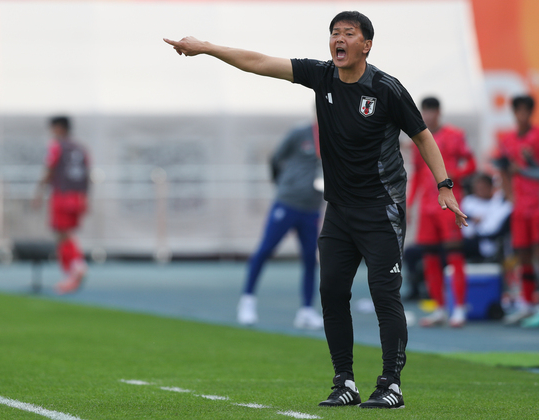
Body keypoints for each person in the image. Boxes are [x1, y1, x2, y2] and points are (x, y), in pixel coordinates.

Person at [165, 10, 467, 409]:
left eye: (348, 33)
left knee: (384, 296)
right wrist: (207, 48)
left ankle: (390, 384)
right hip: (339, 211)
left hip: (381, 209)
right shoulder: (321, 75)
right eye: (334, 33)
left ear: (366, 44)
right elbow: (259, 63)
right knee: (331, 292)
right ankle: (345, 381)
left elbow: (423, 137)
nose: (338, 39)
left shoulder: (386, 88)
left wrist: (444, 185)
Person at [237, 122, 324, 330]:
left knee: (310, 258)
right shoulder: (300, 134)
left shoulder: (337, 134)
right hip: (287, 202)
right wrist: (282, 183)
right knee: (265, 249)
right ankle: (247, 301)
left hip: (312, 207)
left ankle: (306, 310)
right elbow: (276, 158)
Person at [407, 97, 476, 328]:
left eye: (431, 111)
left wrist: (454, 174)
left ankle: (459, 308)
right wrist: (409, 204)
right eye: (424, 111)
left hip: (449, 204)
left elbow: (472, 163)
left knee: (455, 257)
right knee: (430, 258)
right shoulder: (417, 138)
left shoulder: (455, 135)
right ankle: (439, 307)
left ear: (438, 112)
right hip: (427, 207)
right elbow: (416, 174)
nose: (427, 115)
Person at [495, 95, 539, 324]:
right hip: (520, 207)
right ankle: (527, 303)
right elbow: (502, 167)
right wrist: (509, 194)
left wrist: (528, 164)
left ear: (530, 113)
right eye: (518, 111)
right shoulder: (508, 139)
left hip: (538, 205)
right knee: (522, 254)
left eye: (526, 111)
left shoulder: (537, 135)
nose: (522, 115)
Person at [34, 116, 90, 294]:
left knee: (62, 234)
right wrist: (85, 197)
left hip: (62, 195)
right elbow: (87, 174)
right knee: (65, 233)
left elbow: (49, 169)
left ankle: (76, 266)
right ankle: (71, 274)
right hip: (78, 196)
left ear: (59, 128)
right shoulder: (81, 148)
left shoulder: (56, 147)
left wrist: (39, 192)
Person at [461, 173, 512, 262]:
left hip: (491, 245)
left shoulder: (498, 202)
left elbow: (492, 227)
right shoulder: (468, 202)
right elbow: (466, 230)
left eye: (483, 188)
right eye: (477, 188)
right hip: (469, 244)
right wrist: (472, 219)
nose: (480, 191)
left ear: (490, 187)